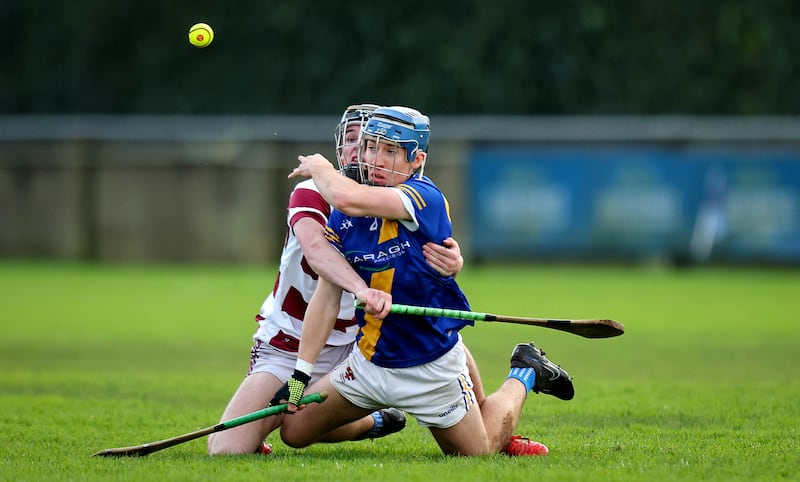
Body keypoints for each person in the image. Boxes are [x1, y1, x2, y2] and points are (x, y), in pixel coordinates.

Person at [271, 106, 574, 457]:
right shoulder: (343, 219)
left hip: (430, 366)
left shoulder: (422, 197)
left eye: (391, 151)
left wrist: (322, 169)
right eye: (371, 147)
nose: (375, 160)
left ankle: (525, 371)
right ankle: (385, 419)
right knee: (293, 431)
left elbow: (347, 197)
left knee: (480, 452)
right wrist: (300, 376)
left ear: (417, 160)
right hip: (369, 363)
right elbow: (325, 296)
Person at [207, 104, 471, 455]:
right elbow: (319, 254)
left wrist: (453, 260)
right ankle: (373, 422)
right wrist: (360, 289)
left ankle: (501, 433)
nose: (364, 152)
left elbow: (429, 243)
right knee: (228, 449)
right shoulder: (312, 191)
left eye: (373, 144)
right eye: (354, 141)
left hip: (363, 340)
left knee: (450, 346)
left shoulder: (396, 196)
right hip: (294, 341)